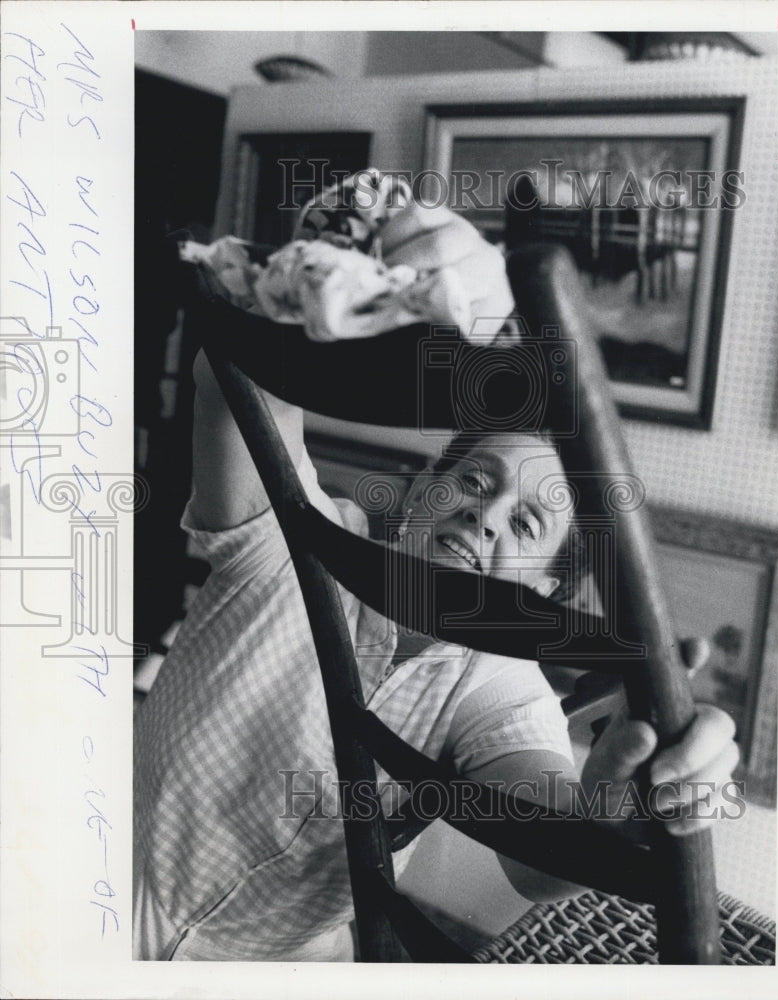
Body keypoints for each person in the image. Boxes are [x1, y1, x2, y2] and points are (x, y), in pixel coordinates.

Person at [133, 197, 739, 963]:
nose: (486, 516)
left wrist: (618, 795)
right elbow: (235, 381)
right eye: (476, 482)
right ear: (421, 492)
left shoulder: (498, 685)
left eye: (525, 525)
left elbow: (538, 853)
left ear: (545, 592)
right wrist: (381, 266)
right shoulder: (296, 538)